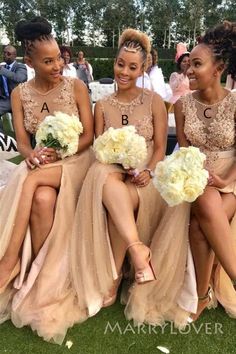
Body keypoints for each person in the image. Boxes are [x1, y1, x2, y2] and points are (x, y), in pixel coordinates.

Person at [70, 28, 195, 327]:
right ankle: (137, 252)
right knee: (104, 176)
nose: (124, 71)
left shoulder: (154, 101)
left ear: (142, 69)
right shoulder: (103, 105)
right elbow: (100, 147)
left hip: (145, 177)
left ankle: (115, 273)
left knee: (118, 200)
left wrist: (149, 170)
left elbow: (160, 149)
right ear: (114, 62)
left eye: (132, 67)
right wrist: (118, 160)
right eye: (120, 64)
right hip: (113, 169)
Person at [0, 17, 94, 344]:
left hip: (78, 162)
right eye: (48, 61)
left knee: (27, 181)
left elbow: (89, 136)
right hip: (43, 166)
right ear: (29, 62)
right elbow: (23, 140)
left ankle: (8, 262)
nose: (58, 65)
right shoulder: (19, 92)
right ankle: (40, 275)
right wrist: (29, 154)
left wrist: (62, 148)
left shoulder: (76, 86)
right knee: (41, 197)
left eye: (60, 58)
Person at [175, 21, 236, 321]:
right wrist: (192, 174)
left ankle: (203, 294)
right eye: (189, 64)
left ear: (219, 68)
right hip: (196, 182)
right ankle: (205, 292)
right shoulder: (183, 105)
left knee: (201, 224)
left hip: (232, 180)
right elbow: (184, 152)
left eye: (197, 64)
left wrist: (225, 178)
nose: (189, 70)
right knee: (203, 202)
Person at [0, 45, 27, 116]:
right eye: (4, 53)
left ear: (14, 56)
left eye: (8, 53)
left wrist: (2, 70)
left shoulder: (20, 67)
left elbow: (19, 78)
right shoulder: (3, 68)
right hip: (3, 98)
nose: (5, 55)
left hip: (14, 98)